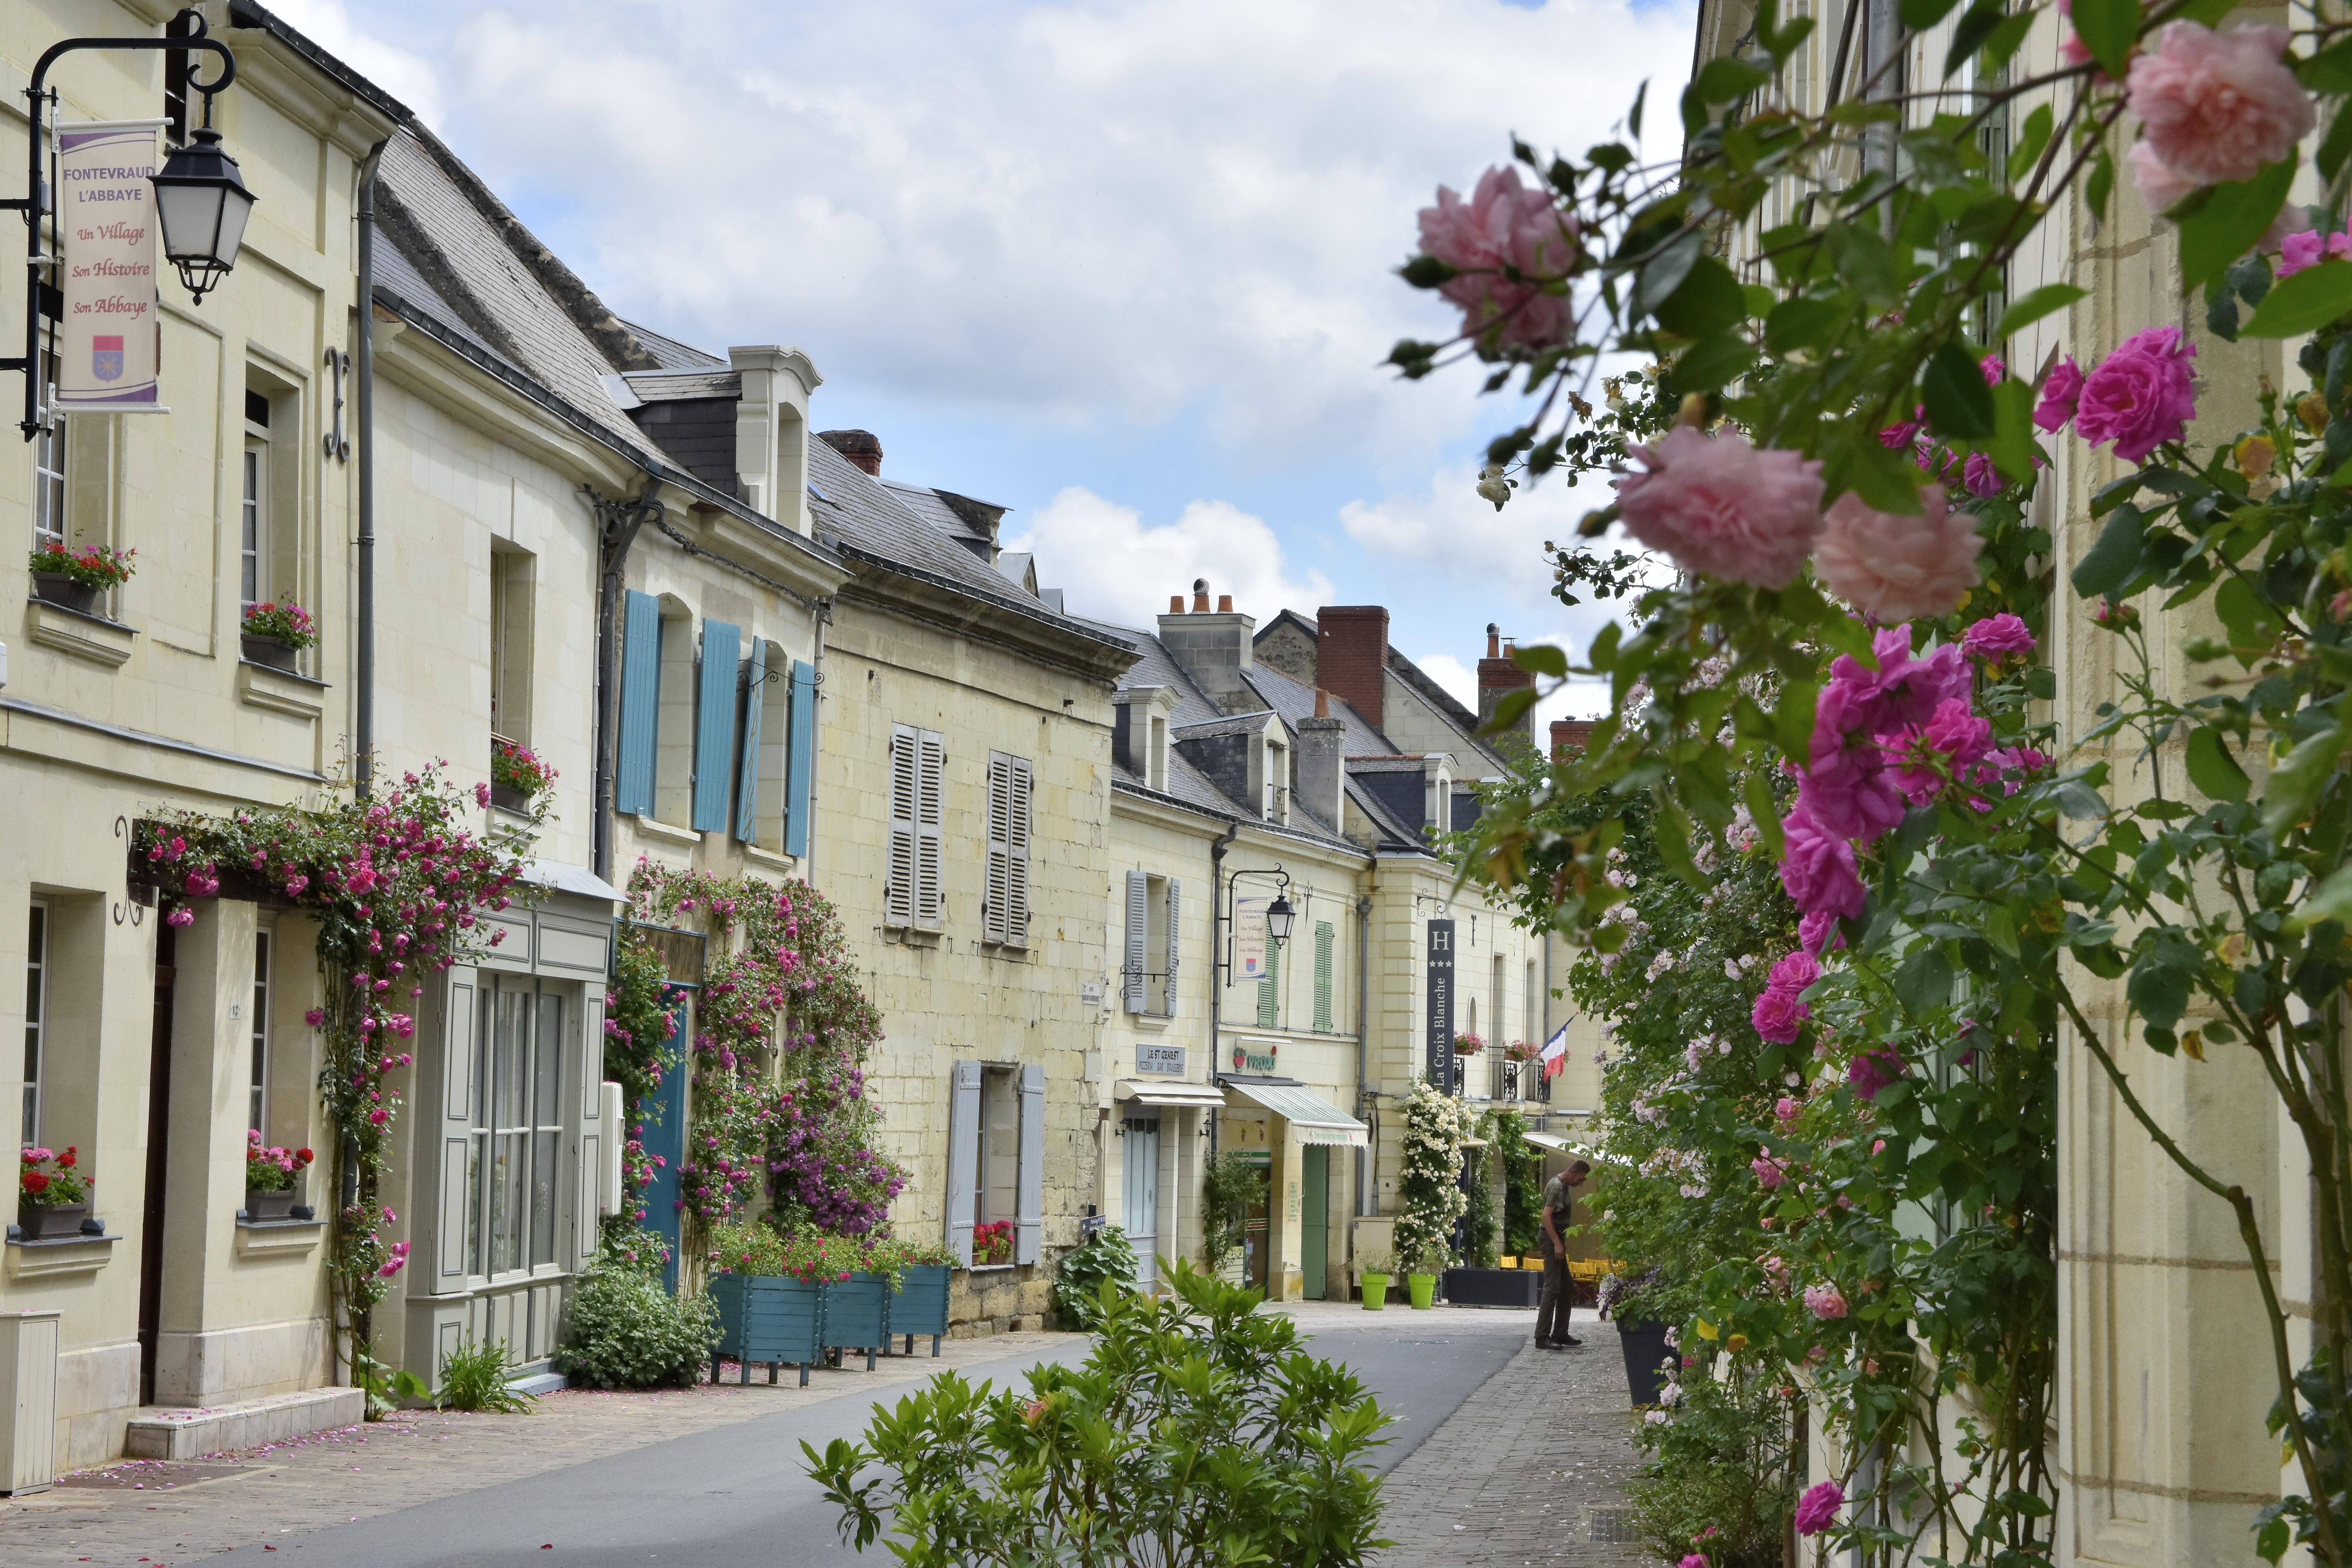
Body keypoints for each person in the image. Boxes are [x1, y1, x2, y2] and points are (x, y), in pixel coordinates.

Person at [1535, 1159, 1590, 1348]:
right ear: (1574, 1172)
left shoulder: (1562, 1185)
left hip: (1556, 1240)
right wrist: (1557, 1243)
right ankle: (1542, 1337)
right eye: (1582, 1179)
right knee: (1552, 1288)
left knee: (1567, 1287)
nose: (1581, 1183)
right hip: (1551, 1240)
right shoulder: (1558, 1187)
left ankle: (1560, 1333)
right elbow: (1546, 1216)